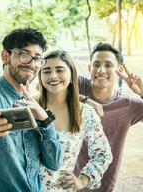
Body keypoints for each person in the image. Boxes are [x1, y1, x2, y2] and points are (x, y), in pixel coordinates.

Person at [0, 28, 63, 192]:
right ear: (5, 56)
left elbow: (54, 162)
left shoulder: (35, 106)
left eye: (38, 59)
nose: (32, 64)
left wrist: (45, 121)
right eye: (24, 55)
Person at [74, 43, 143, 192]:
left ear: (119, 70)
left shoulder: (128, 104)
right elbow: (45, 90)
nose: (101, 70)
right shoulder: (78, 85)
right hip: (69, 183)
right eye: (96, 64)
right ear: (90, 68)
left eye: (108, 65)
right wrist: (85, 100)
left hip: (104, 186)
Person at [31, 50, 112, 191]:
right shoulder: (29, 108)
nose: (53, 76)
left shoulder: (85, 112)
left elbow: (103, 154)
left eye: (59, 70)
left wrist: (82, 180)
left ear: (71, 74)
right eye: (46, 71)